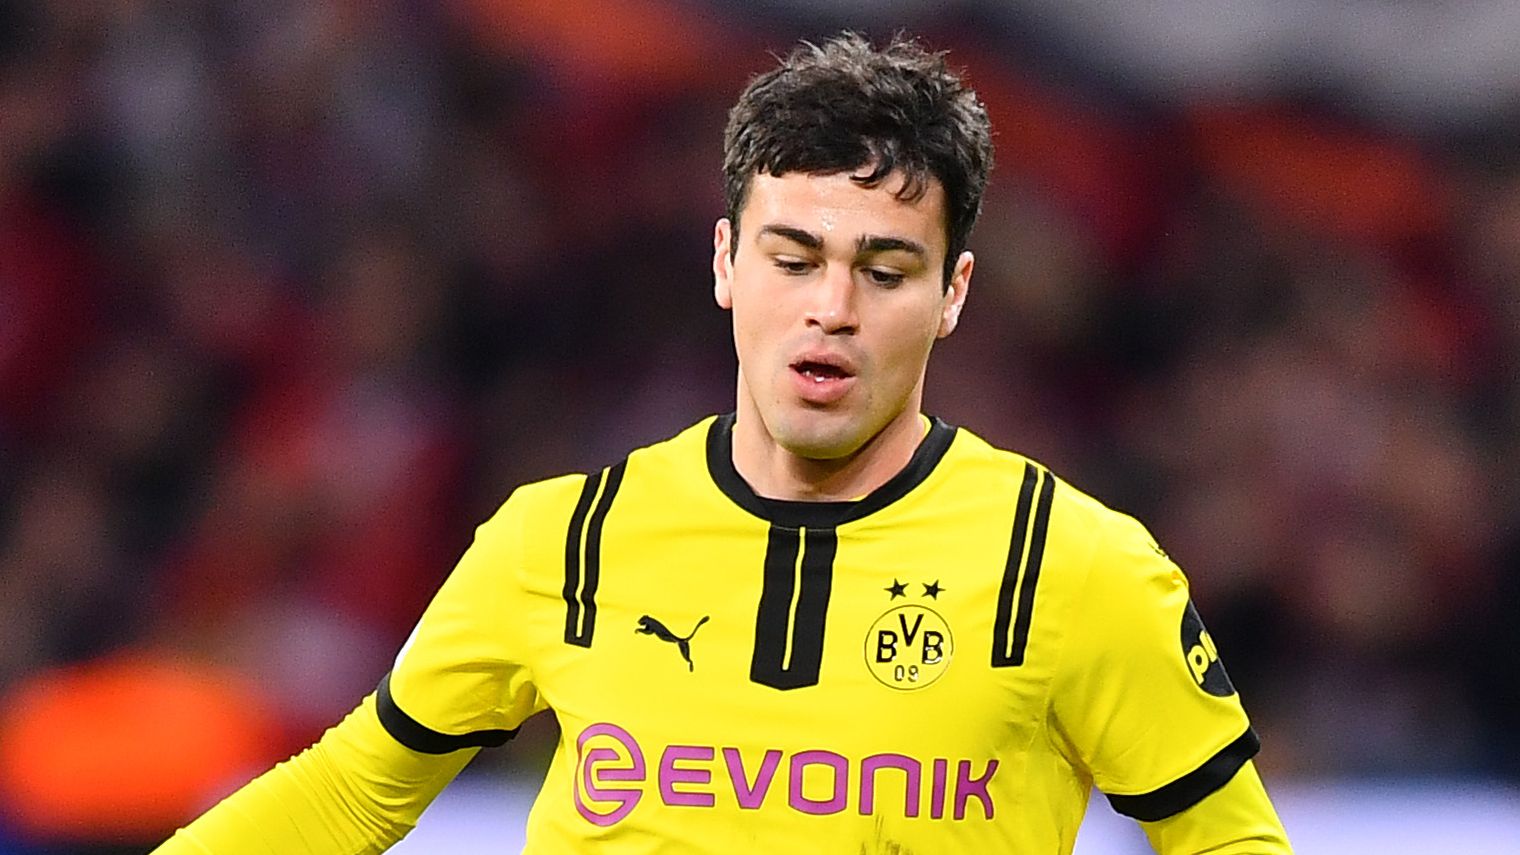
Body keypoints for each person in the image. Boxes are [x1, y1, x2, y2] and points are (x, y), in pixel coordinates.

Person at [155, 32, 1292, 854]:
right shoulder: (563, 541)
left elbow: (1228, 842)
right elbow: (352, 793)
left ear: (951, 295)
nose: (830, 309)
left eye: (885, 270)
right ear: (724, 264)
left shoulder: (1074, 565)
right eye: (792, 259)